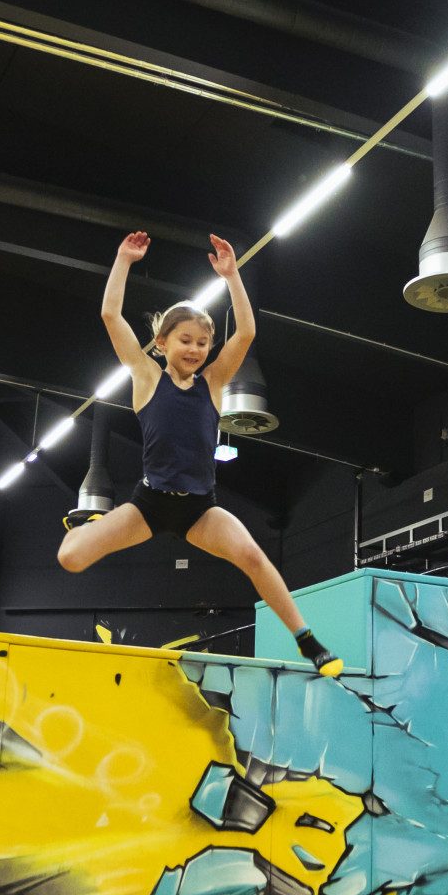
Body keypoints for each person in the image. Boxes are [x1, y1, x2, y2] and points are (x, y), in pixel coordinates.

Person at [57, 231, 342, 677]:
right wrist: (123, 260)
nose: (194, 349)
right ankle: (84, 524)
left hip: (199, 509)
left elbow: (246, 331)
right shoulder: (147, 378)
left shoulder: (213, 384)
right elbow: (110, 314)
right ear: (163, 343)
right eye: (185, 340)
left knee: (252, 556)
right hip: (149, 504)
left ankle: (307, 639)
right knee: (69, 559)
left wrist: (232, 276)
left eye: (202, 343)